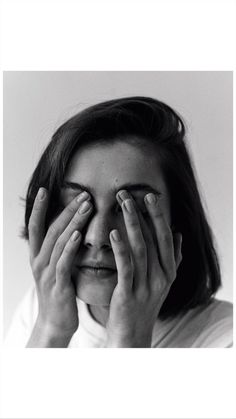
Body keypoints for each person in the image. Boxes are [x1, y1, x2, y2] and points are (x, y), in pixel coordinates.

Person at [5, 96, 233, 348]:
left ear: (177, 223)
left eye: (131, 209)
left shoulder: (224, 339)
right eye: (77, 205)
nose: (97, 238)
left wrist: (129, 338)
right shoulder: (36, 309)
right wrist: (50, 330)